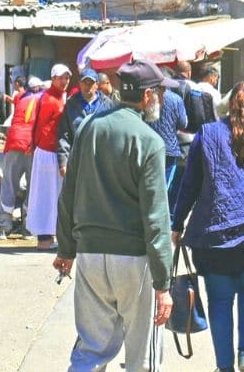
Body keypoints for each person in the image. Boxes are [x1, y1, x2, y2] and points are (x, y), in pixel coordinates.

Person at [53, 60, 175, 372]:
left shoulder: (89, 128)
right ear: (147, 96)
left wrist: (66, 249)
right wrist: (163, 284)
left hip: (90, 254)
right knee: (142, 357)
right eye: (158, 93)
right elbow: (156, 218)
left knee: (91, 349)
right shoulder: (150, 141)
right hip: (135, 260)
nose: (159, 98)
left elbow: (68, 194)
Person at [171, 81, 244, 372]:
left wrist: (177, 222)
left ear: (229, 103)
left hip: (214, 236)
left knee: (219, 302)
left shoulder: (207, 134)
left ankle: (224, 366)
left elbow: (189, 184)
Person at [27, 63, 70, 250]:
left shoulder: (59, 97)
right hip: (48, 152)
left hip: (53, 151)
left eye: (67, 77)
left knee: (54, 195)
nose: (65, 81)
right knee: (46, 195)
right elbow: (43, 127)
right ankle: (44, 239)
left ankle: (49, 237)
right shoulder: (49, 99)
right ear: (53, 78)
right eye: (61, 77)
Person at [0, 76, 44, 237]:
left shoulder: (20, 98)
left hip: (14, 143)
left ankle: (3, 225)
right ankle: (28, 226)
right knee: (33, 186)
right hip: (31, 146)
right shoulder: (44, 99)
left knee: (9, 184)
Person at [57, 67, 115, 176]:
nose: (87, 86)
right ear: (79, 83)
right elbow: (64, 134)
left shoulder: (107, 104)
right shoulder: (71, 104)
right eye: (85, 82)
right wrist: (63, 161)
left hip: (101, 159)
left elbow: (113, 133)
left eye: (91, 83)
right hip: (78, 158)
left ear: (97, 85)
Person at [147, 78, 187, 209]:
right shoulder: (176, 99)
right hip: (169, 148)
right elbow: (183, 123)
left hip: (148, 148)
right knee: (163, 188)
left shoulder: (146, 98)